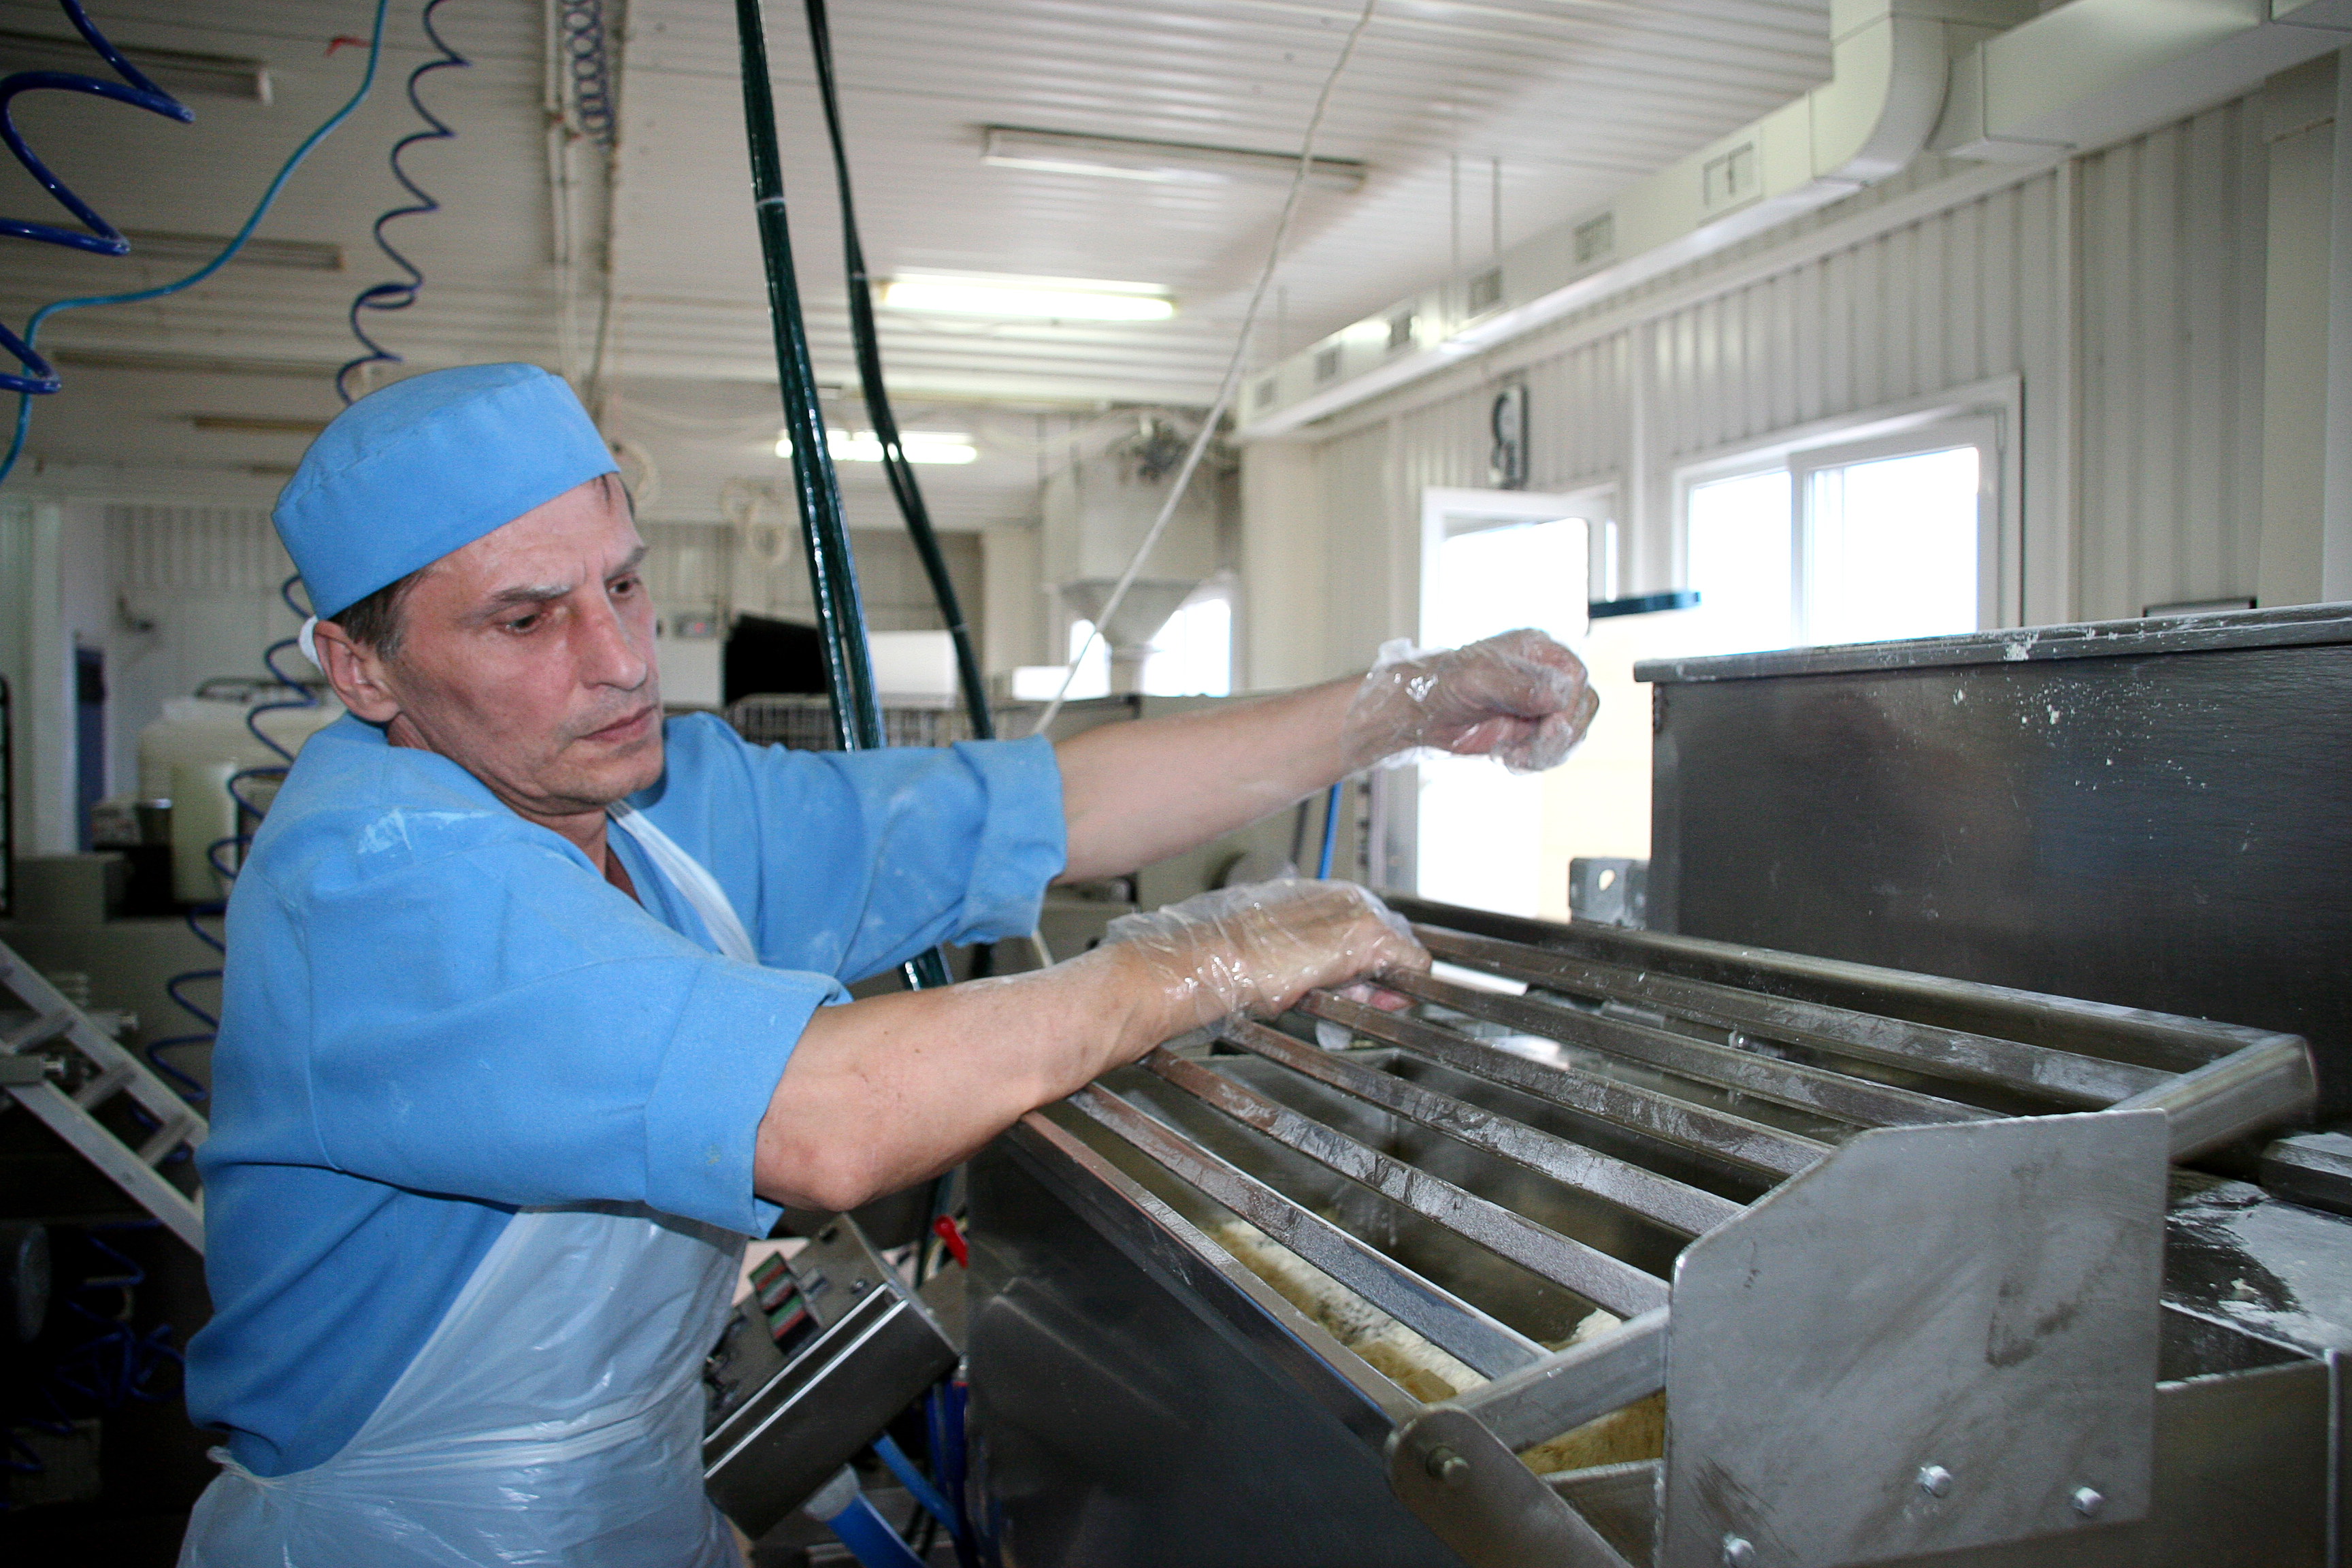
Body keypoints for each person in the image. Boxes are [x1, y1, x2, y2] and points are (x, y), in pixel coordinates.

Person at [174, 363, 1598, 1566]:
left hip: (637, 1507)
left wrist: (1401, 706)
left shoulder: (659, 806)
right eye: (526, 620)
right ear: (361, 671)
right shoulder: (370, 880)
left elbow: (1043, 806)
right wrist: (1203, 958)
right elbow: (821, 1119)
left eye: (624, 583)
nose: (619, 662)